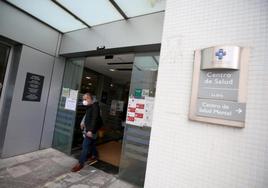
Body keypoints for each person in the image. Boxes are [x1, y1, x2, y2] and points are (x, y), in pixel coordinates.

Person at [71, 93, 102, 172]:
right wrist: (82, 122)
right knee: (92, 144)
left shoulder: (95, 107)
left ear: (90, 99)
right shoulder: (90, 106)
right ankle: (95, 155)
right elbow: (87, 115)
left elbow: (94, 119)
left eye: (85, 99)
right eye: (83, 99)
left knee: (85, 146)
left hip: (91, 130)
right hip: (89, 130)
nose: (84, 101)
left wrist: (90, 131)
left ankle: (80, 163)